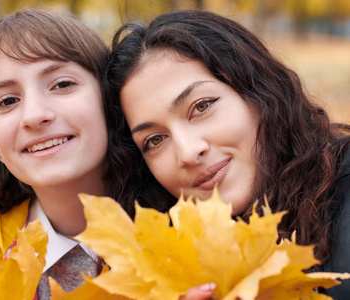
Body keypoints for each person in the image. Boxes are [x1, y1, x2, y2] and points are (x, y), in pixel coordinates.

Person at [105, 9, 350, 299]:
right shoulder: (162, 266)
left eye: (202, 106)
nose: (188, 152)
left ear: (259, 92)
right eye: (155, 140)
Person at [0, 9, 122, 299]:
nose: (34, 115)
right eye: (8, 101)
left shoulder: (183, 224)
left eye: (62, 84)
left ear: (110, 100)